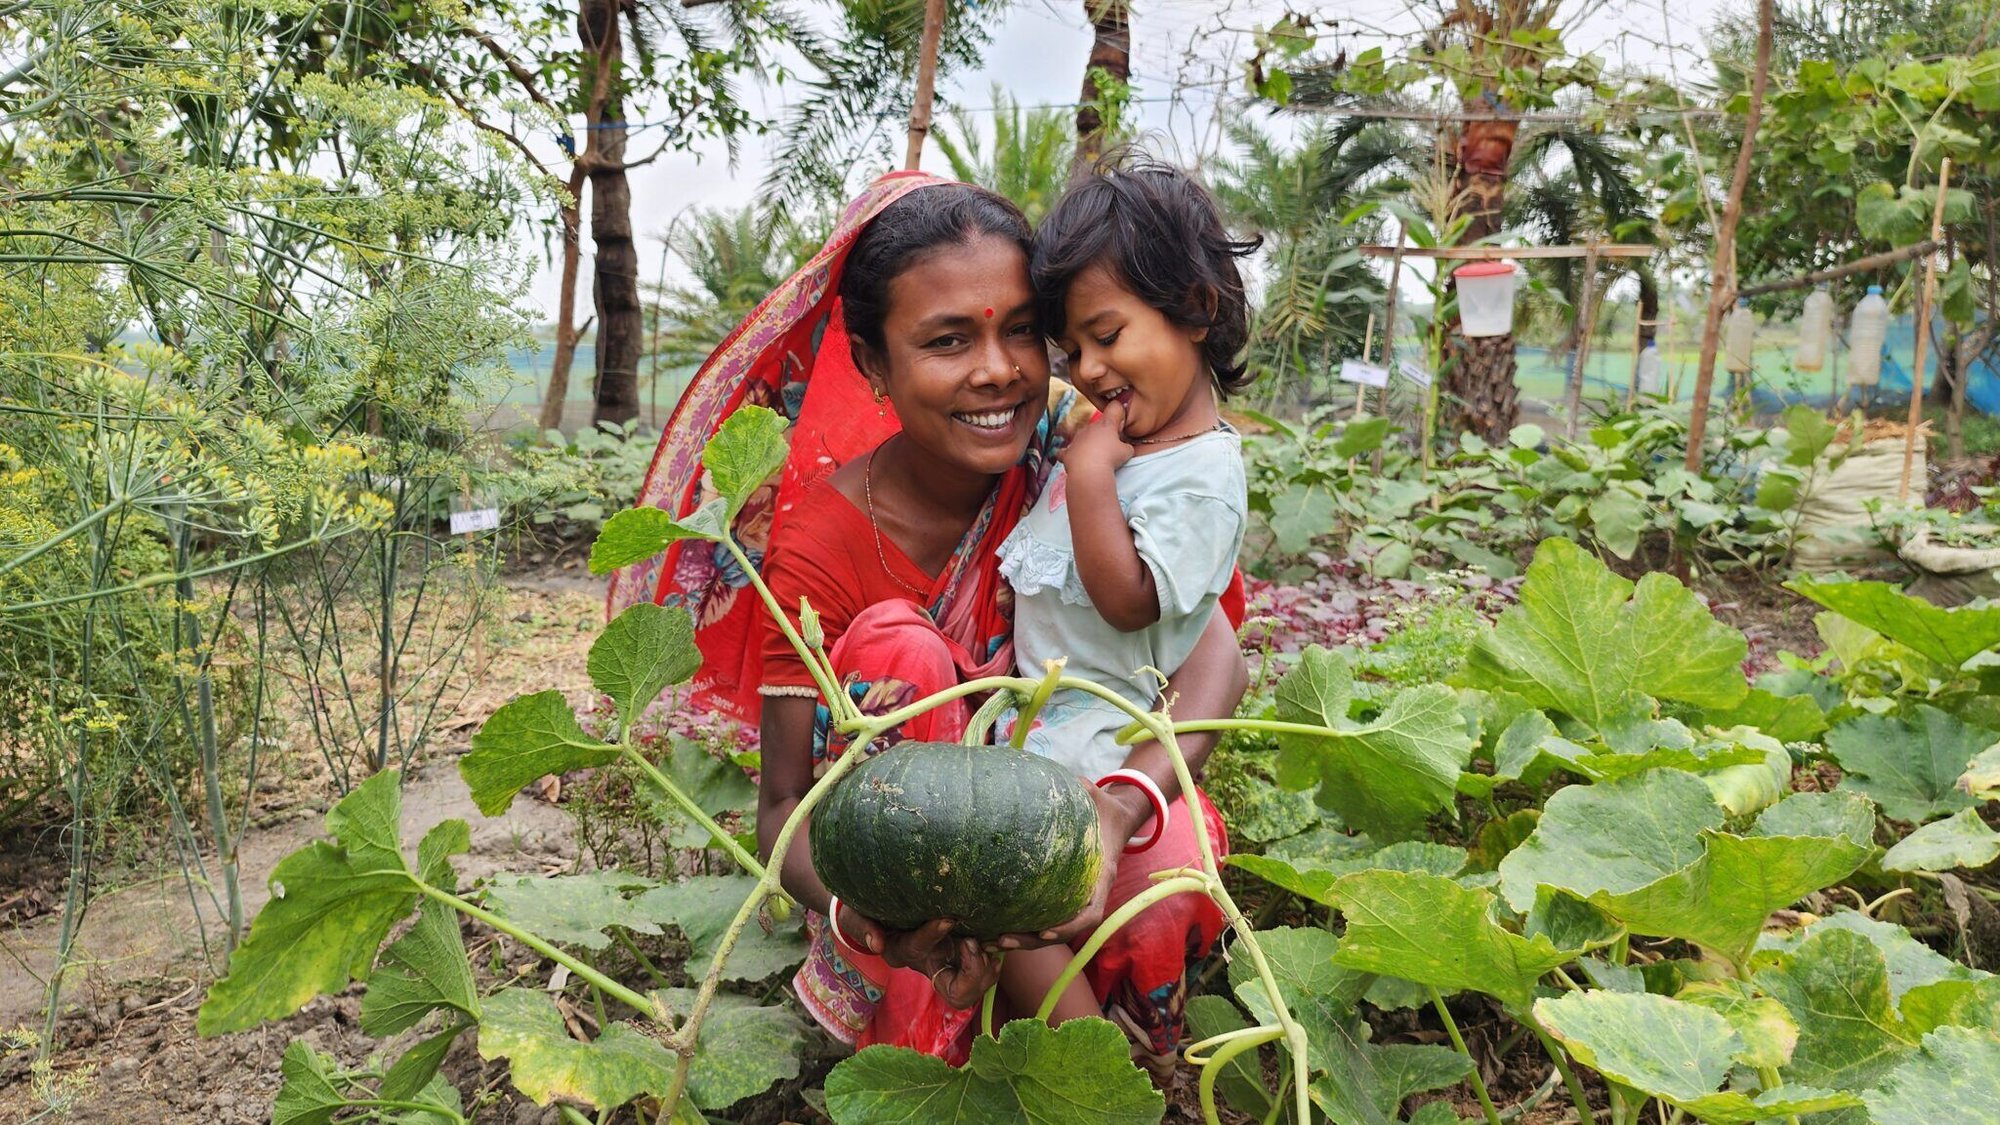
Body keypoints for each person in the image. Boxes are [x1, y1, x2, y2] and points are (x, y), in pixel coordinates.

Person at [607, 171, 1247, 1075]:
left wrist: (1120, 807)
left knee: (1173, 857)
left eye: (1023, 330)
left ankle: (1113, 1058)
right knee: (901, 646)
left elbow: (1213, 652)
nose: (998, 369)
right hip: (918, 890)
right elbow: (782, 813)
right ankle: (1040, 1050)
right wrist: (867, 918)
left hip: (1072, 802)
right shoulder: (818, 547)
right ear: (872, 364)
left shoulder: (1075, 444)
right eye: (948, 340)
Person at [991, 158, 1260, 1025]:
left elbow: (1128, 600)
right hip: (1035, 730)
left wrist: (1091, 474)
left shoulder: (1202, 474)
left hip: (1103, 754)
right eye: (1074, 349)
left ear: (1198, 308)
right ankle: (1081, 1052)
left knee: (1024, 918)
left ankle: (1102, 1069)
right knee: (1012, 918)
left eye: (1109, 335)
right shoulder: (1131, 449)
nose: (1090, 369)